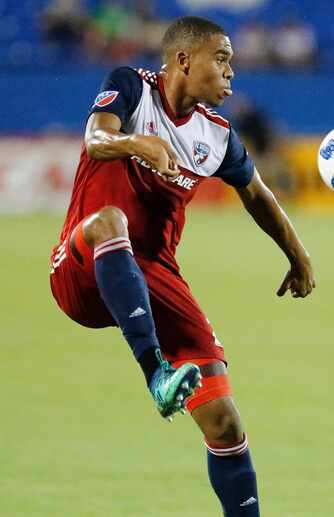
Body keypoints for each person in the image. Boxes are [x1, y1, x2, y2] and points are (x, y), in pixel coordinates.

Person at [49, 16, 315, 517]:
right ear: (184, 61)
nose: (231, 72)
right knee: (110, 220)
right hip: (82, 267)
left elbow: (257, 194)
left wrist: (297, 256)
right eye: (222, 59)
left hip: (153, 276)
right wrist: (135, 142)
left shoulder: (216, 135)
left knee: (226, 424)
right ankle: (156, 374)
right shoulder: (131, 87)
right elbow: (94, 139)